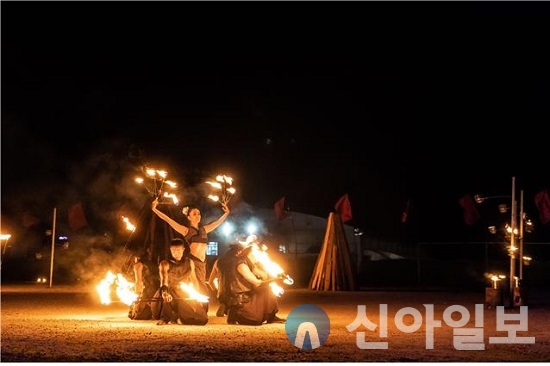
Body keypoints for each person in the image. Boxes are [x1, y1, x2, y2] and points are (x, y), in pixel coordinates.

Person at [151, 198, 230, 305]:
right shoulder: (186, 230)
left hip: (203, 263)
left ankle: (199, 309)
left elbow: (217, 223)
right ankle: (191, 308)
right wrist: (155, 209)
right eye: (194, 214)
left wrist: (226, 213)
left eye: (199, 213)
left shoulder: (204, 230)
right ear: (188, 217)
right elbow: (168, 220)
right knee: (195, 286)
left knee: (202, 286)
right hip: (193, 262)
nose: (198, 215)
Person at [217, 237, 286, 325]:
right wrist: (275, 280)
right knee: (255, 319)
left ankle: (232, 311)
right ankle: (235, 313)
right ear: (241, 253)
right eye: (251, 253)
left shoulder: (220, 262)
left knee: (265, 287)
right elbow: (257, 283)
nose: (254, 255)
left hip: (228, 300)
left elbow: (261, 275)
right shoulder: (241, 265)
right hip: (241, 300)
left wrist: (274, 274)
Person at [155, 238, 208, 325]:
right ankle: (165, 318)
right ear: (170, 250)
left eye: (178, 250)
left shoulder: (189, 262)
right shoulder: (165, 264)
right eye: (174, 251)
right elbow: (164, 281)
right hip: (169, 293)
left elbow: (194, 281)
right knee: (169, 299)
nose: (176, 253)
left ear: (183, 250)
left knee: (203, 319)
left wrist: (197, 296)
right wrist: (165, 293)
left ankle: (177, 318)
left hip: (183, 294)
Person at [128, 248, 161, 320]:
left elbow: (138, 283)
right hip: (155, 290)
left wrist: (139, 295)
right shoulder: (155, 264)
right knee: (142, 314)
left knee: (140, 315)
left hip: (151, 290)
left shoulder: (138, 265)